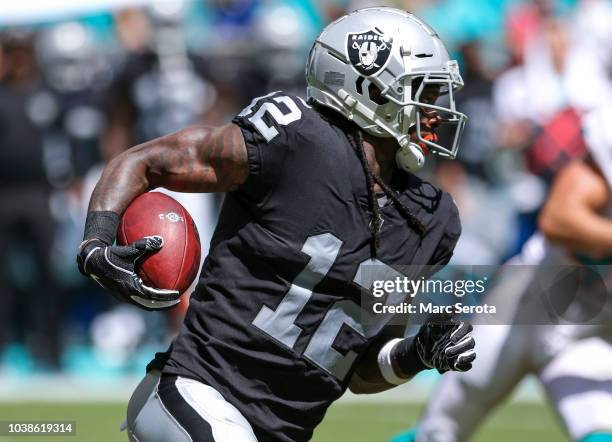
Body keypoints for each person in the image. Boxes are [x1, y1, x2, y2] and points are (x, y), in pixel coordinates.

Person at [77, 7, 475, 442]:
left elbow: (359, 370)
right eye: (424, 91)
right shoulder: (295, 136)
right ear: (370, 83)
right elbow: (146, 162)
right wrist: (96, 243)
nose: (435, 110)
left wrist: (418, 353)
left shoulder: (432, 219)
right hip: (195, 391)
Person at [392, 104, 612, 442]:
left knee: (601, 433)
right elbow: (559, 219)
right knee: (438, 433)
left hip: (585, 334)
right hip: (523, 309)